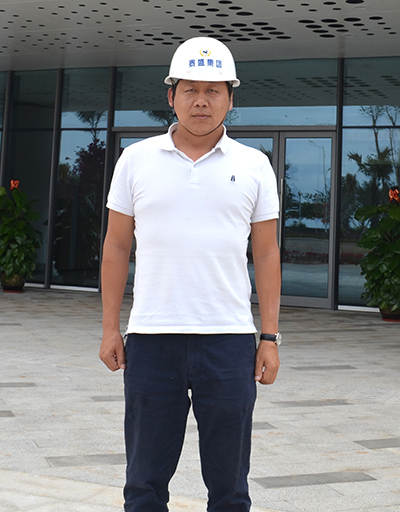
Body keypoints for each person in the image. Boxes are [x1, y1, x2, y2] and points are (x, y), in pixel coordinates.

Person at [99, 36, 281, 512]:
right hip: (151, 339)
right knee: (143, 485)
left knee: (230, 488)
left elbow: (266, 254)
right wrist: (110, 328)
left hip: (229, 341)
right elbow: (116, 246)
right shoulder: (136, 159)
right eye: (191, 90)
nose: (202, 101)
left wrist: (269, 337)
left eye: (213, 90)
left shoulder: (255, 165)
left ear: (230, 99)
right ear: (171, 95)